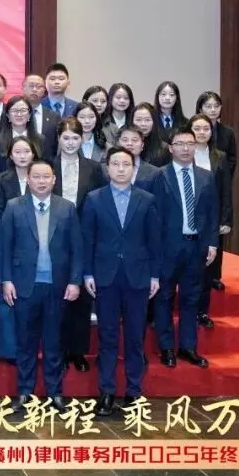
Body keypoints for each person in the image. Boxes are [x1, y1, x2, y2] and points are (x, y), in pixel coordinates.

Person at [82, 147, 161, 417]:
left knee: (135, 337)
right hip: (105, 277)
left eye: (126, 164)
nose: (120, 169)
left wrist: (154, 275)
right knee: (107, 337)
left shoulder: (146, 199)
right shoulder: (94, 199)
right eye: (115, 164)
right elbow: (88, 240)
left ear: (133, 168)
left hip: (138, 277)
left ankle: (134, 392)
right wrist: (88, 274)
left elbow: (154, 241)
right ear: (107, 168)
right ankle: (106, 392)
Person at [0, 160, 82, 412]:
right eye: (36, 176)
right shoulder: (14, 207)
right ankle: (24, 392)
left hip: (57, 286)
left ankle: (55, 393)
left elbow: (77, 248)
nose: (42, 181)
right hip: (24, 285)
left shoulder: (66, 208)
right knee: (25, 343)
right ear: (28, 179)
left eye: (46, 176)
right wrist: (6, 280)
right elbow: (5, 247)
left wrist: (75, 281)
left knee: (54, 343)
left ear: (54, 180)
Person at [154, 126, 219, 369]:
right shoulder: (159, 176)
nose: (185, 148)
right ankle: (167, 348)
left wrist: (212, 242)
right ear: (171, 148)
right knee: (164, 297)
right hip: (167, 247)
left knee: (191, 297)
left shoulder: (206, 177)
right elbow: (154, 215)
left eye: (190, 144)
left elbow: (212, 213)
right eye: (180, 144)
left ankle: (188, 347)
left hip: (196, 246)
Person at [53, 118, 106, 374]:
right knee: (58, 296)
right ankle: (60, 350)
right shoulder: (47, 166)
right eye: (66, 138)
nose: (71, 143)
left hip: (86, 236)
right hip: (54, 236)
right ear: (58, 139)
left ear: (82, 139)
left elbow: (99, 201)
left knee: (82, 295)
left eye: (75, 138)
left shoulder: (93, 168)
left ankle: (78, 351)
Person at [0, 135, 37, 365]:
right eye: (17, 152)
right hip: (8, 240)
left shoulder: (41, 175)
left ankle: (31, 347)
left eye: (26, 151)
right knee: (7, 299)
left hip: (36, 244)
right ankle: (10, 351)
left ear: (33, 154)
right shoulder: (1, 179)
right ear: (10, 155)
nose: (22, 156)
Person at [189, 113, 233, 317]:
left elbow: (226, 190)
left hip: (210, 216)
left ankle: (202, 312)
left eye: (206, 128)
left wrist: (226, 219)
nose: (201, 132)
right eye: (197, 128)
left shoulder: (219, 156)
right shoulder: (183, 154)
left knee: (207, 266)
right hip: (187, 216)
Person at [0, 95, 52, 174]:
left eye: (23, 110)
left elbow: (46, 168)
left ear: (29, 115)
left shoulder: (40, 140)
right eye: (14, 110)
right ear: (7, 115)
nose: (19, 114)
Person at [196, 91, 237, 176]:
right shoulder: (191, 130)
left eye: (216, 106)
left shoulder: (228, 132)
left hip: (220, 177)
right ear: (200, 109)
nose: (213, 110)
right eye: (208, 106)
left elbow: (231, 160)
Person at [132, 102, 169, 167]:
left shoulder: (164, 149)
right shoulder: (125, 144)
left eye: (147, 120)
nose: (143, 124)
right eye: (138, 120)